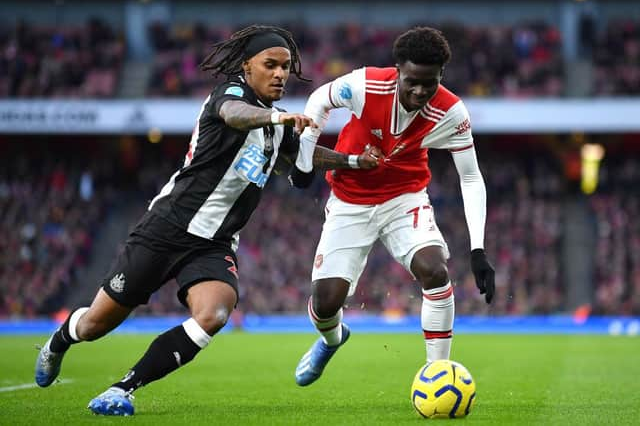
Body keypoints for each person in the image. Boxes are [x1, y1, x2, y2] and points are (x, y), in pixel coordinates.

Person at [34, 25, 380, 416]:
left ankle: (122, 389)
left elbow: (301, 160)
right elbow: (235, 115)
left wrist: (352, 161)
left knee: (215, 312)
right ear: (247, 66)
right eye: (271, 65)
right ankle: (59, 342)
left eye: (286, 67)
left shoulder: (275, 122)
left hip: (214, 243)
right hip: (166, 227)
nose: (281, 74)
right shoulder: (231, 95)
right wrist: (275, 118)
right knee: (96, 324)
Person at [293, 26, 496, 386]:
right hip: (349, 200)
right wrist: (305, 155)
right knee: (326, 302)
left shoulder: (452, 112)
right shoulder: (364, 85)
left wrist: (478, 248)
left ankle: (438, 374)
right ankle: (332, 339)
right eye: (412, 81)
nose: (420, 91)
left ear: (440, 77)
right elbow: (318, 101)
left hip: (405, 197)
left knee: (434, 269)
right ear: (398, 70)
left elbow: (471, 177)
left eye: (429, 83)